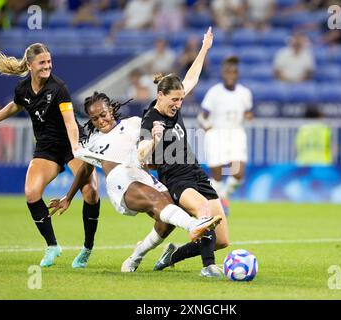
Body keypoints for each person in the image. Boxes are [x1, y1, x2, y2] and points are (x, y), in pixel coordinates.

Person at [47, 92, 223, 272]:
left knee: (166, 221)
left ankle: (136, 255)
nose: (100, 121)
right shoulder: (93, 141)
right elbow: (85, 170)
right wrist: (68, 197)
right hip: (120, 180)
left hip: (143, 176)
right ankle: (194, 225)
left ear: (112, 110)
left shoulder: (135, 123)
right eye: (94, 119)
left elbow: (150, 152)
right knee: (159, 203)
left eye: (103, 115)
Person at [0, 43, 101, 268]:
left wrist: (77, 148)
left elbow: (70, 123)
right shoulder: (23, 89)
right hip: (47, 148)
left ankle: (87, 248)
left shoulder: (59, 88)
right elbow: (14, 106)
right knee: (31, 193)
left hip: (72, 145)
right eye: (42, 63)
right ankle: (52, 246)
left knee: (90, 191)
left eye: (49, 62)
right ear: (30, 65)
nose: (48, 66)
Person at [138, 27, 230, 278]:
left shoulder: (172, 105)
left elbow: (191, 78)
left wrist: (204, 49)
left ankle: (172, 255)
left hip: (196, 173)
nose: (178, 105)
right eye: (174, 100)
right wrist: (153, 140)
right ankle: (208, 268)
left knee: (222, 240)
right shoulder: (150, 119)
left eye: (180, 100)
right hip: (176, 178)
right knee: (204, 212)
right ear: (160, 95)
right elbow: (140, 154)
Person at [197, 56, 253, 215]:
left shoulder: (245, 93)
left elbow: (248, 112)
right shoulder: (214, 92)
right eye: (227, 72)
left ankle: (223, 196)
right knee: (218, 174)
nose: (230, 75)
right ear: (223, 74)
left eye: (233, 72)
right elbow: (202, 116)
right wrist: (207, 127)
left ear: (237, 74)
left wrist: (249, 116)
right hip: (217, 133)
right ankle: (217, 205)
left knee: (238, 172)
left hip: (236, 133)